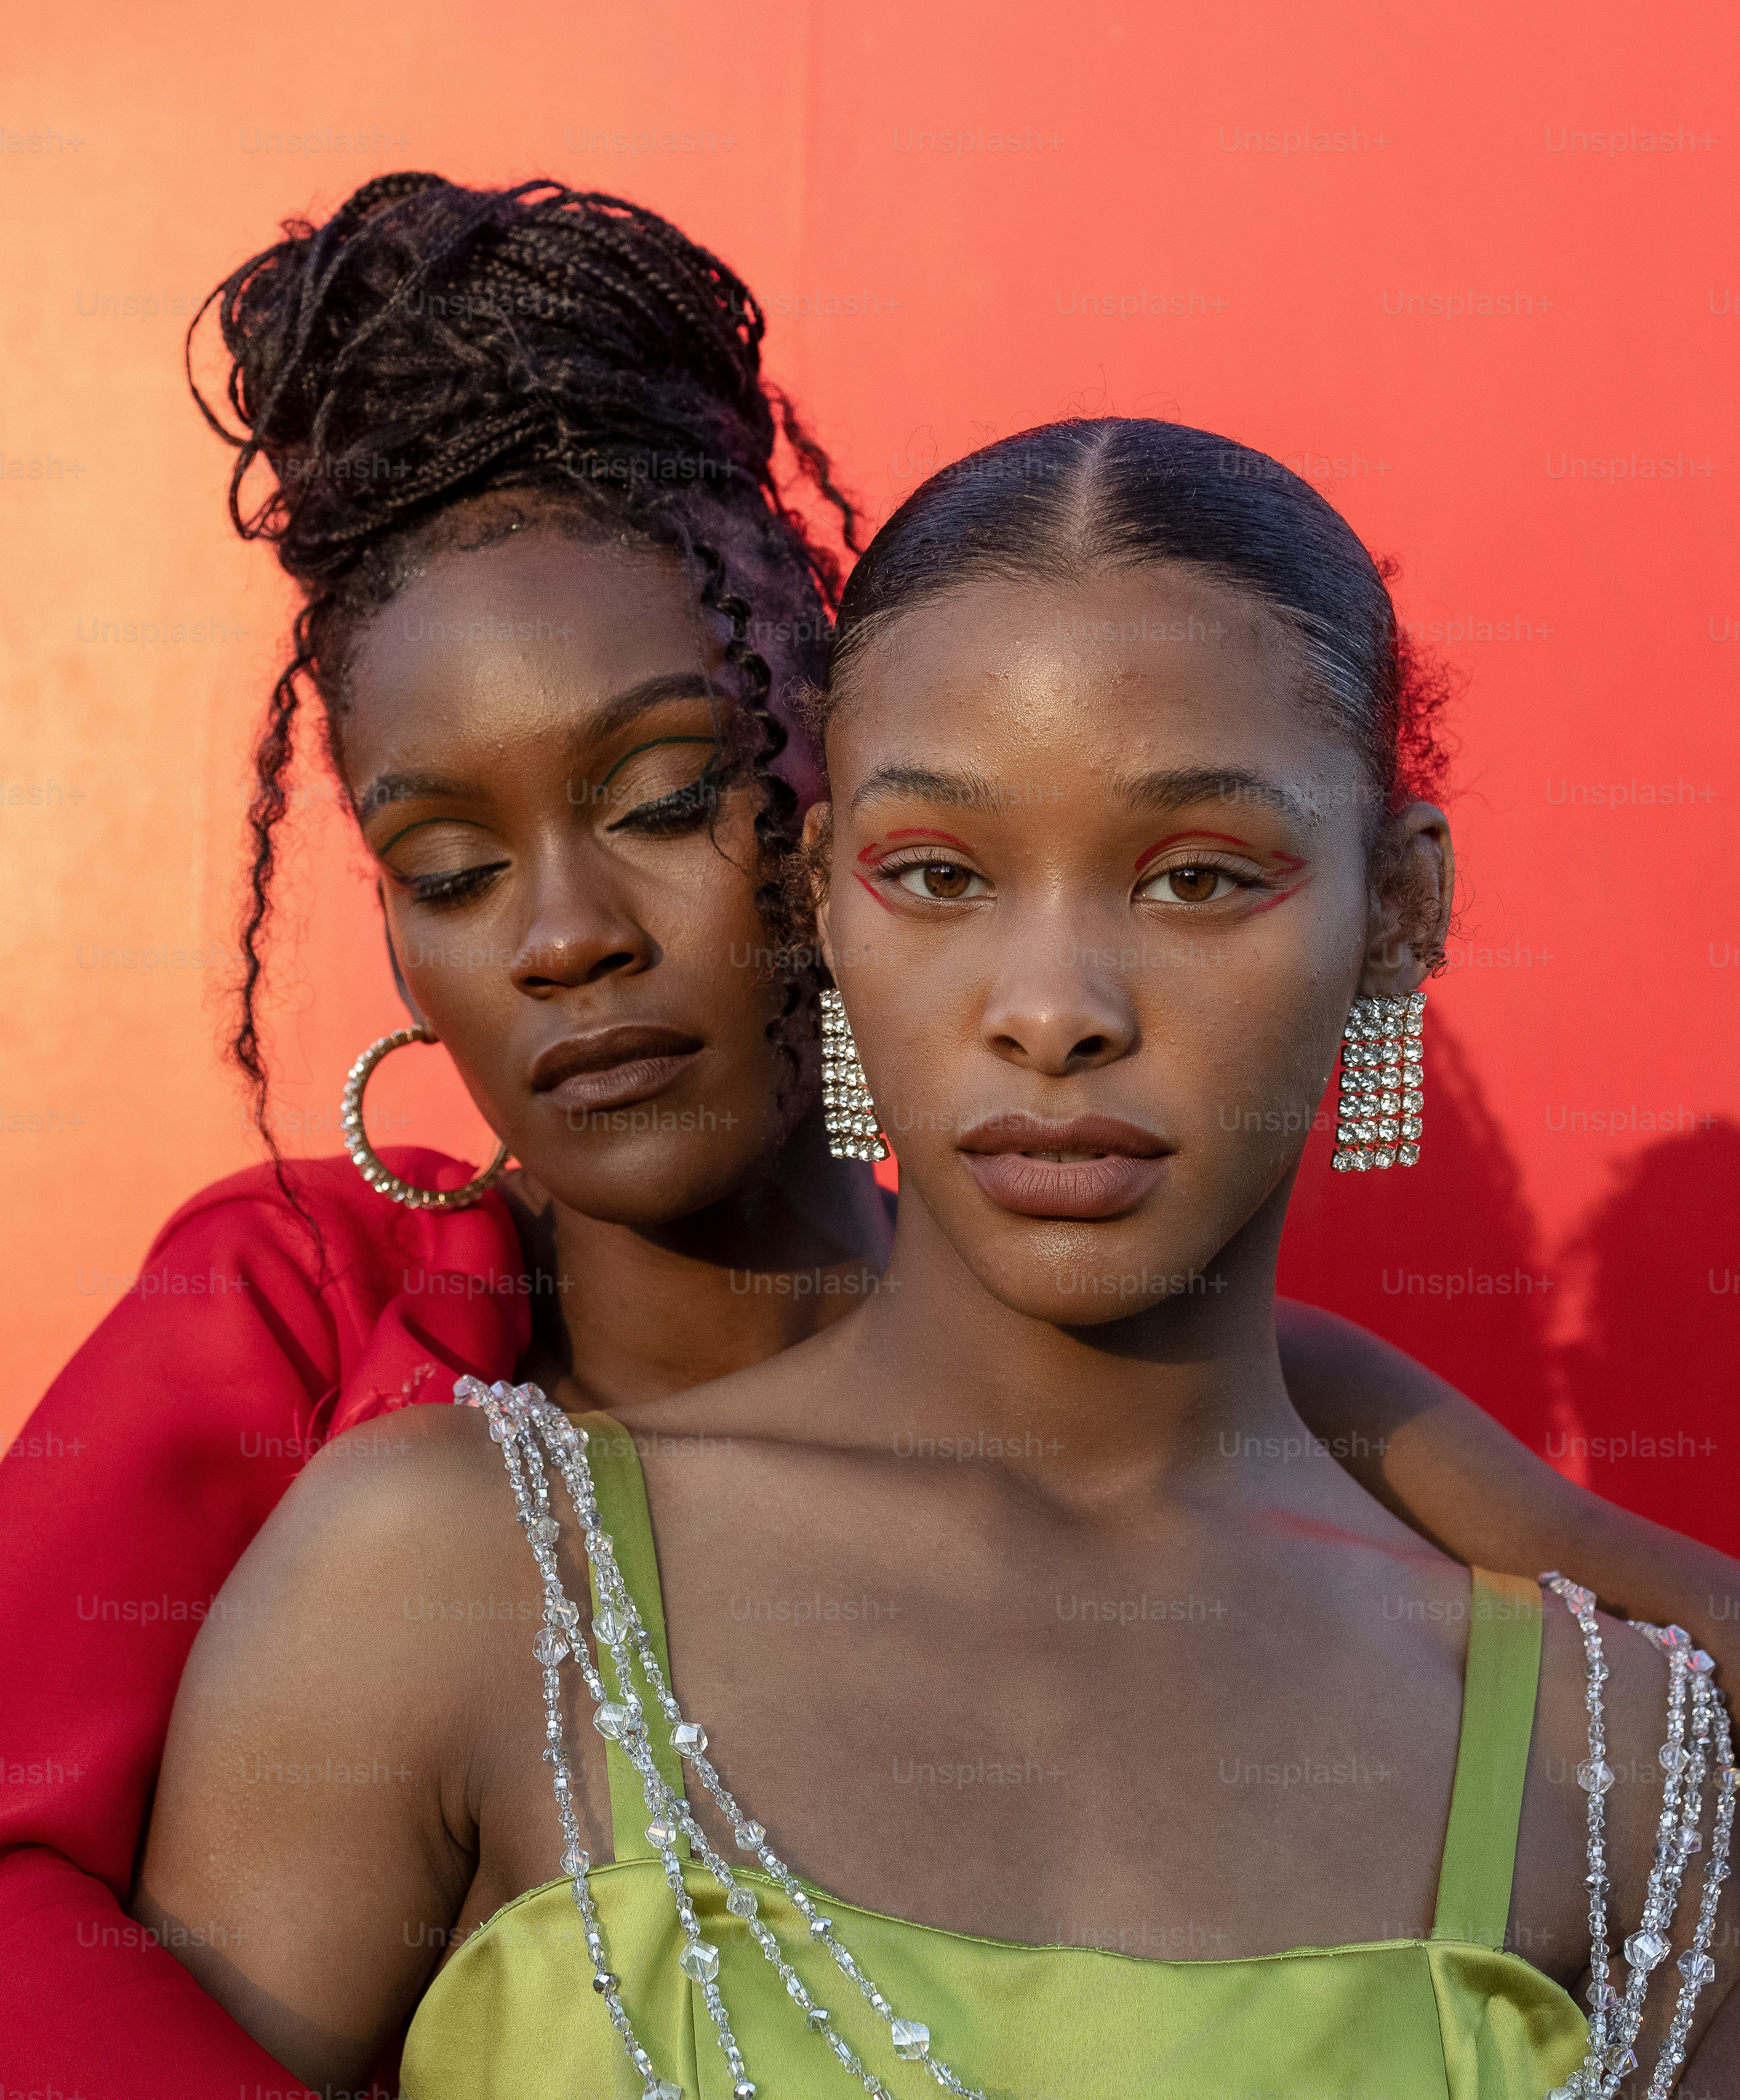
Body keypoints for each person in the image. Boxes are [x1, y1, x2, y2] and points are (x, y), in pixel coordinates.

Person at [133, 418, 1738, 2096]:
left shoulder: (1626, 1762)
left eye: (1197, 876)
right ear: (825, 898)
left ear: (1398, 912)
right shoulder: (449, 1580)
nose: (1052, 1010)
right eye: (940, 876)